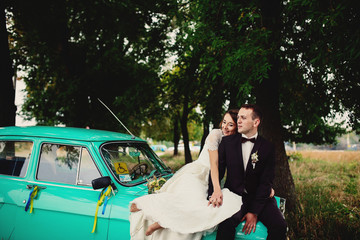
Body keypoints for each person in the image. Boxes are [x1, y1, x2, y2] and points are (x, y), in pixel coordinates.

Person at [129, 109, 243, 240]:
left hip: (213, 179)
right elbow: (214, 165)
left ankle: (161, 221)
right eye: (224, 122)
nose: (225, 127)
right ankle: (148, 209)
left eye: (230, 124)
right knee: (193, 203)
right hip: (198, 174)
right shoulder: (215, 134)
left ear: (237, 127)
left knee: (206, 208)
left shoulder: (234, 142)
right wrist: (217, 190)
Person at [210, 104, 287, 240]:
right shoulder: (226, 143)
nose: (238, 120)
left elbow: (266, 182)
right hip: (235, 196)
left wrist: (254, 211)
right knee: (225, 224)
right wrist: (211, 195)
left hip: (260, 198)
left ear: (256, 122)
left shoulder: (268, 147)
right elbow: (217, 172)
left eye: (243, 118)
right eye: (238, 117)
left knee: (280, 226)